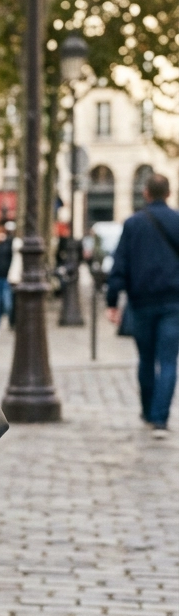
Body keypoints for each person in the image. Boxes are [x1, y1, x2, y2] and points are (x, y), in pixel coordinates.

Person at [107, 171, 179, 437]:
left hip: (142, 303)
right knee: (169, 361)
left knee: (146, 359)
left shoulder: (133, 223)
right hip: (173, 303)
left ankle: (149, 413)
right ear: (169, 194)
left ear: (146, 193)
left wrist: (112, 300)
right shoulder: (177, 221)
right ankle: (160, 420)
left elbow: (120, 263)